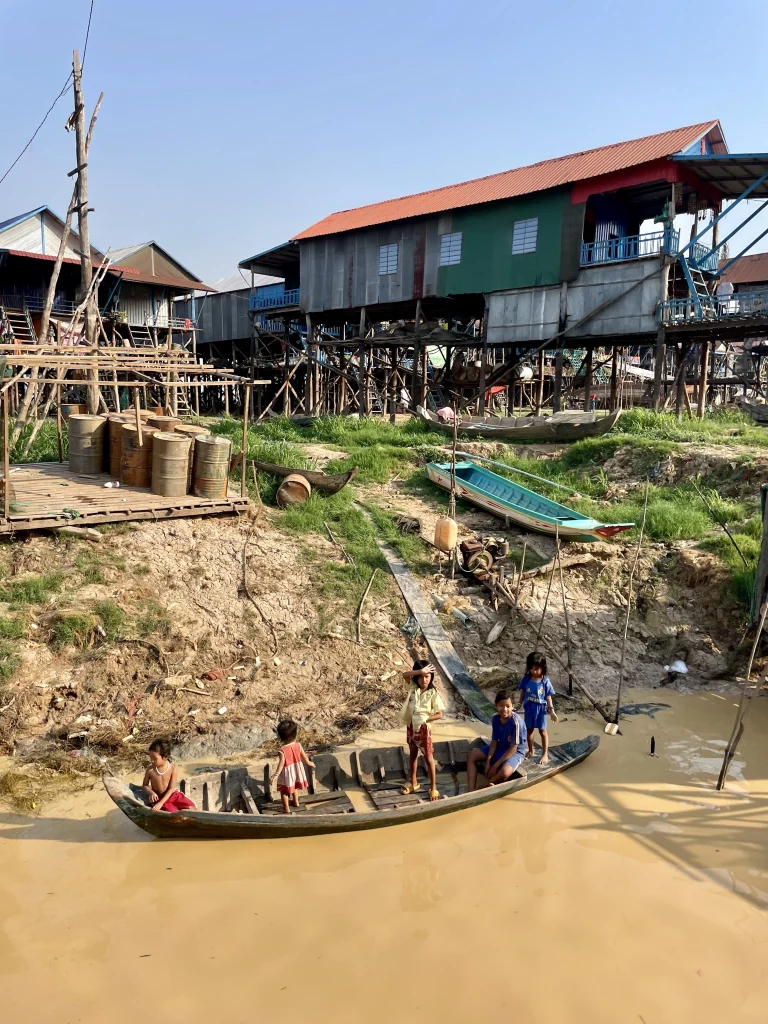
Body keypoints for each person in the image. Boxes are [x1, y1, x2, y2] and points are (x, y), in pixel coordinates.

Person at [399, 659, 445, 801]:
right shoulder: (413, 687)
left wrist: (425, 720)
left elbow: (439, 714)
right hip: (411, 726)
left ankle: (433, 788)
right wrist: (420, 671)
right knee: (412, 753)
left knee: (428, 758)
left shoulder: (432, 693)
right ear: (417, 677)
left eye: (427, 676)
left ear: (431, 677)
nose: (424, 679)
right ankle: (413, 783)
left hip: (424, 729)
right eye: (421, 676)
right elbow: (405, 674)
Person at [466, 688, 527, 791]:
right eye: (501, 706)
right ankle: (471, 789)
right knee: (471, 755)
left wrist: (495, 765)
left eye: (508, 706)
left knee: (504, 773)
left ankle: (482, 788)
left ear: (512, 706)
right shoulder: (495, 719)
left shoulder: (516, 723)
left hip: (515, 751)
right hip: (500, 746)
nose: (505, 709)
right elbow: (494, 742)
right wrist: (489, 762)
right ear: (496, 706)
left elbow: (513, 748)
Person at [516, 651, 558, 765]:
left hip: (541, 709)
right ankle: (531, 750)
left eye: (536, 669)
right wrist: (519, 704)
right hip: (529, 708)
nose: (534, 671)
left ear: (542, 668)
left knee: (542, 731)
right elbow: (523, 691)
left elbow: (548, 696)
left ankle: (545, 754)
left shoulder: (545, 681)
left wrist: (552, 711)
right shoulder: (527, 678)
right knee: (529, 730)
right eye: (532, 669)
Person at [272, 720, 316, 814]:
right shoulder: (298, 745)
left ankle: (286, 808)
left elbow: (281, 764)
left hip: (287, 773)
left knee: (284, 791)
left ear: (281, 737)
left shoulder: (282, 750)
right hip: (297, 771)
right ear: (295, 735)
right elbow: (304, 757)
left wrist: (275, 775)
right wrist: (309, 763)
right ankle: (296, 802)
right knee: (294, 786)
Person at [142, 738, 196, 813]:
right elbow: (144, 785)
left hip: (173, 795)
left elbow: (171, 788)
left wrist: (161, 803)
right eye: (150, 758)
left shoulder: (172, 768)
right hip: (159, 798)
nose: (152, 761)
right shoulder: (150, 770)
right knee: (172, 812)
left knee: (191, 806)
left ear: (165, 757)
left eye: (155, 758)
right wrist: (151, 793)